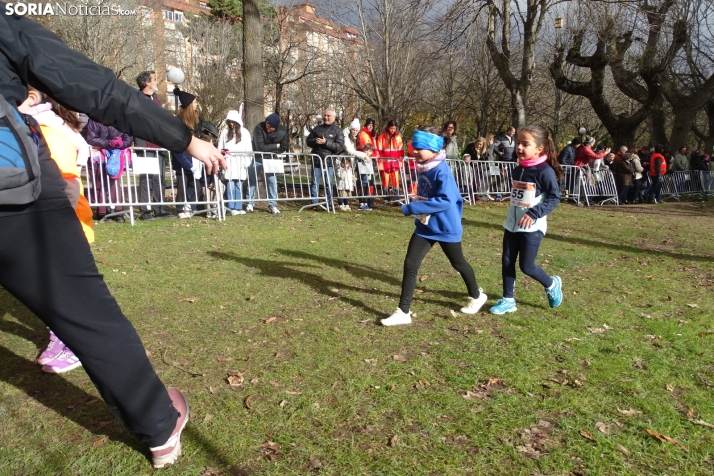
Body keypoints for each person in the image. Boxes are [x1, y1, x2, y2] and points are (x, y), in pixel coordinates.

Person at [0, 10, 226, 468]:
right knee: (86, 312)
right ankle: (159, 425)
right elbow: (93, 87)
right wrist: (183, 139)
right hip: (13, 193)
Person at [381, 125, 487, 327]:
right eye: (414, 146)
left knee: (459, 264)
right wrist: (420, 200)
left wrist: (413, 207)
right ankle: (403, 311)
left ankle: (476, 295)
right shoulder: (424, 165)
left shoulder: (441, 172)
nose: (414, 151)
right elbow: (431, 195)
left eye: (418, 147)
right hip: (425, 226)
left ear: (433, 148)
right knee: (410, 264)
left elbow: (446, 200)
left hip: (446, 227)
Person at [22, 87, 92, 374]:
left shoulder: (49, 134)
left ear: (31, 97)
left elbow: (70, 186)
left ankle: (75, 344)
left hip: (64, 226)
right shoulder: (30, 129)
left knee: (64, 288)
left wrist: (56, 231)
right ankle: (60, 337)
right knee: (50, 286)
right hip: (45, 227)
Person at [489, 125, 563, 315]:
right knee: (507, 261)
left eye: (525, 144)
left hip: (532, 226)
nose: (519, 148)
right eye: (518, 143)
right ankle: (508, 300)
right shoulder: (518, 169)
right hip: (512, 224)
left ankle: (552, 283)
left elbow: (554, 197)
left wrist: (533, 213)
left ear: (539, 149)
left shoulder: (544, 171)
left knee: (526, 266)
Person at [134, 71, 173, 220]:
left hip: (159, 145)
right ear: (147, 83)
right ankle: (145, 211)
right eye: (155, 79)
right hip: (145, 145)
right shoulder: (137, 99)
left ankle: (159, 208)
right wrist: (140, 145)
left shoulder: (157, 100)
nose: (157, 82)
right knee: (146, 178)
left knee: (159, 178)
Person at [83, 117, 132, 222]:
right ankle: (102, 212)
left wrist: (121, 144)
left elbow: (127, 138)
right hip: (97, 158)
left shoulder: (121, 119)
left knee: (115, 185)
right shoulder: (94, 120)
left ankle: (118, 212)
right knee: (99, 184)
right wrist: (108, 143)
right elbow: (91, 138)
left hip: (115, 157)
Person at [171, 90, 205, 219]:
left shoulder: (197, 118)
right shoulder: (179, 121)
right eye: (195, 103)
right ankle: (181, 208)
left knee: (195, 185)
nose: (197, 105)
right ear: (189, 105)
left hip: (193, 157)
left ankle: (188, 205)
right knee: (182, 184)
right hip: (182, 158)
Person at [250, 113, 288, 214]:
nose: (267, 127)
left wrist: (271, 151)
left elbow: (284, 147)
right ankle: (250, 203)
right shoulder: (259, 128)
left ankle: (272, 204)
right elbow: (260, 147)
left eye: (270, 126)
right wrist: (275, 145)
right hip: (257, 158)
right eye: (267, 124)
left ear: (275, 127)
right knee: (252, 180)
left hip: (271, 159)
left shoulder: (282, 132)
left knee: (272, 182)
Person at [306, 108, 344, 208]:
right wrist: (315, 141)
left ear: (334, 117)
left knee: (328, 183)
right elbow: (308, 141)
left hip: (329, 162)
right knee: (314, 183)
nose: (326, 117)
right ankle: (314, 203)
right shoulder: (317, 128)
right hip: (317, 161)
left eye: (328, 116)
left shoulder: (338, 131)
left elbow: (339, 146)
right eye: (325, 115)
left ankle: (329, 203)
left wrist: (326, 142)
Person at [218, 109, 253, 216]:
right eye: (229, 122)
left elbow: (249, 150)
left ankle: (238, 206)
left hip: (240, 163)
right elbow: (220, 147)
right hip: (229, 163)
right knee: (230, 184)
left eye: (233, 122)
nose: (231, 124)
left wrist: (245, 163)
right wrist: (222, 160)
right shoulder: (224, 133)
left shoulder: (245, 132)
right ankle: (231, 206)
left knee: (239, 184)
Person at [342, 118, 373, 210]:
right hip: (342, 162)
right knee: (343, 183)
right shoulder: (345, 136)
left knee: (348, 184)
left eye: (356, 130)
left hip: (349, 163)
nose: (355, 131)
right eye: (353, 130)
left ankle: (346, 203)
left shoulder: (354, 138)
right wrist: (364, 156)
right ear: (350, 129)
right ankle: (342, 203)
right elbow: (350, 151)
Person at [375, 120, 405, 198]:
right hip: (385, 163)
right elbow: (378, 150)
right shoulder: (382, 137)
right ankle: (386, 197)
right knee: (385, 181)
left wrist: (401, 162)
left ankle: (396, 197)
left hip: (395, 163)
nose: (393, 130)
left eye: (394, 128)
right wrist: (380, 162)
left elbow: (401, 151)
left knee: (395, 181)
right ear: (388, 128)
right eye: (391, 128)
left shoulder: (398, 137)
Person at [357, 118, 378, 210]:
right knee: (364, 182)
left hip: (370, 161)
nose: (371, 127)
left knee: (370, 181)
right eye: (369, 125)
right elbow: (364, 148)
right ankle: (364, 201)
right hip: (365, 161)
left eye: (372, 125)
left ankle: (368, 200)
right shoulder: (364, 134)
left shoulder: (370, 135)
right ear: (366, 125)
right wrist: (370, 155)